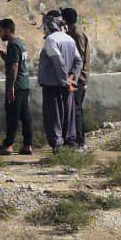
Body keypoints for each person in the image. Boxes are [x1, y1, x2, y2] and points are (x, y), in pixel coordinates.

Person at [37, 10, 83, 150]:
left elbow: (58, 62)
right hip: (67, 85)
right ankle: (70, 143)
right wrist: (71, 78)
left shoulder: (51, 40)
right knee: (68, 116)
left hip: (53, 85)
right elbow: (78, 61)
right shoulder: (68, 39)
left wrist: (65, 81)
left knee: (54, 116)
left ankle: (57, 145)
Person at [0, 18, 34, 155]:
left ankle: (8, 145)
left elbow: (14, 66)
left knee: (12, 115)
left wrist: (11, 88)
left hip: (16, 86)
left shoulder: (12, 45)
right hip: (24, 84)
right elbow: (12, 61)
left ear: (7, 30)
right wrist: (0, 52)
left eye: (0, 31)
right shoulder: (19, 43)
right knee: (24, 116)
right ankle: (27, 145)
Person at [62, 7, 90, 148]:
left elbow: (79, 58)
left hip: (79, 78)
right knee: (74, 109)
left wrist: (75, 78)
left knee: (77, 109)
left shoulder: (77, 34)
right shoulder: (72, 32)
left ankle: (80, 141)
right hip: (76, 77)